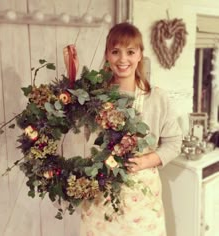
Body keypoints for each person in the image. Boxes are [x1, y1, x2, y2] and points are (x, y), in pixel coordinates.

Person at [63, 22, 182, 236]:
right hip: (101, 193)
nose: (123, 59)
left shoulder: (156, 97)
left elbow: (174, 143)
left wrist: (147, 160)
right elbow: (74, 129)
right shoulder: (94, 98)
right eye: (115, 52)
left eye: (130, 52)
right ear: (107, 55)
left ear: (140, 56)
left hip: (142, 198)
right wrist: (72, 86)